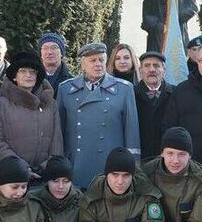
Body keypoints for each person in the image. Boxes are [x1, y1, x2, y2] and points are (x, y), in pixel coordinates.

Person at [57, 42, 141, 188]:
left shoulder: (124, 89)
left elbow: (131, 131)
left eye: (101, 60)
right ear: (83, 65)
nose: (98, 64)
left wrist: (133, 164)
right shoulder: (65, 89)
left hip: (111, 167)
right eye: (93, 60)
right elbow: (58, 132)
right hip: (76, 165)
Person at [0, 51, 63, 177]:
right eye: (23, 71)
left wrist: (48, 167)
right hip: (11, 176)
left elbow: (57, 141)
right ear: (14, 76)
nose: (29, 75)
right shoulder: (0, 105)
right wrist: (19, 168)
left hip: (44, 176)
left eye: (33, 71)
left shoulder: (50, 104)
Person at [135, 51, 175, 160]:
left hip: (167, 159)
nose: (152, 69)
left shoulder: (176, 93)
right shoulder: (131, 95)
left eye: (156, 66)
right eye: (147, 66)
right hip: (139, 157)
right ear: (140, 71)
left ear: (164, 71)